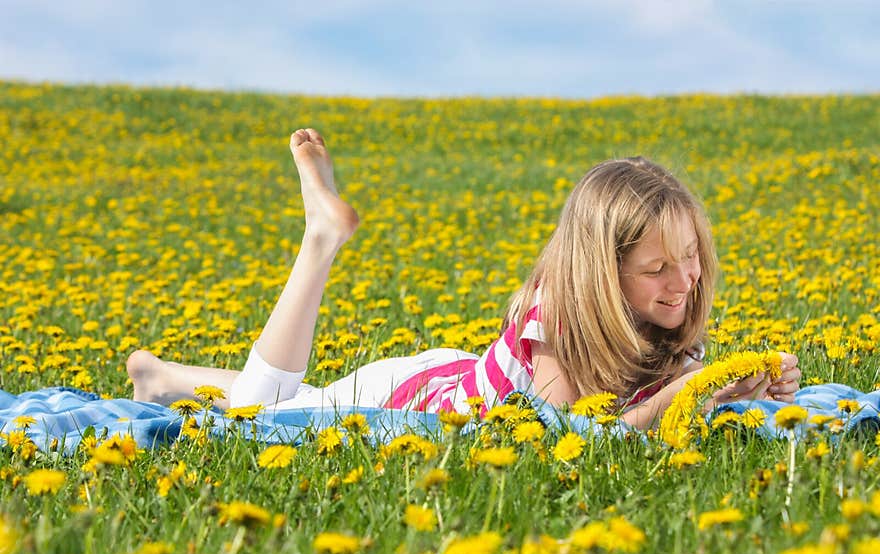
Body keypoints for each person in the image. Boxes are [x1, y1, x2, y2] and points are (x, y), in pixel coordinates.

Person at [126, 128, 802, 430]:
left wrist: (740, 385)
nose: (684, 280)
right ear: (602, 273)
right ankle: (320, 241)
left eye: (691, 258)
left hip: (456, 374)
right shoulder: (558, 326)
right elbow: (571, 438)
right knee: (259, 416)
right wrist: (687, 394)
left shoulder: (660, 313)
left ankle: (163, 379)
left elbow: (659, 394)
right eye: (656, 267)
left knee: (295, 398)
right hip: (409, 400)